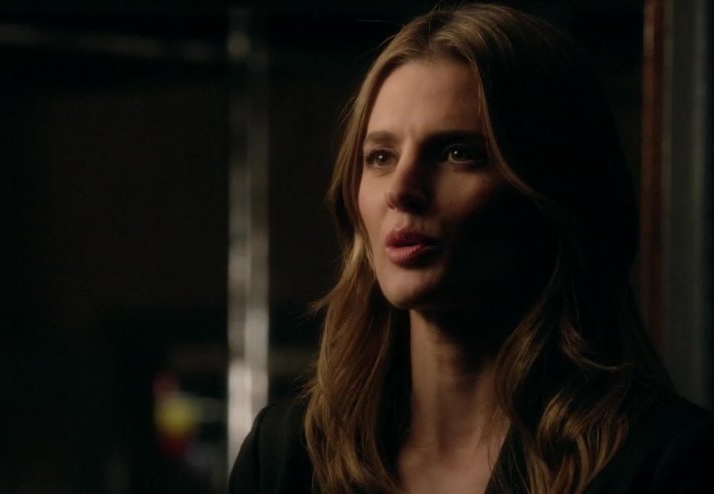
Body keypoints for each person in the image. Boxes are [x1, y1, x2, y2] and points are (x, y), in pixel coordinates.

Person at [229, 3, 714, 493]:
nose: (402, 189)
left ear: (552, 191)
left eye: (458, 153)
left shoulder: (666, 464)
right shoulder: (287, 457)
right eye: (380, 157)